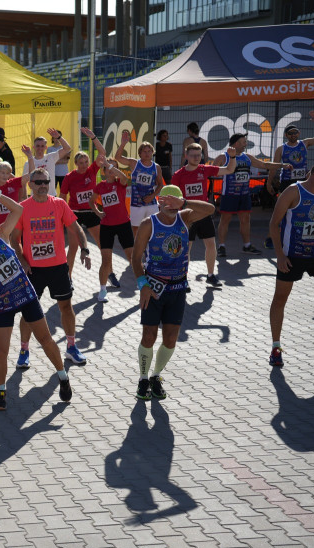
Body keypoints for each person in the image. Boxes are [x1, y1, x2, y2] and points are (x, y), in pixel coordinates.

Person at [0, 193, 73, 410]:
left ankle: (63, 377)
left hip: (26, 295)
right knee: (1, 351)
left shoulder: (1, 234)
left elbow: (18, 211)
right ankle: (1, 392)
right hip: (3, 304)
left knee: (46, 340)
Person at [132, 185, 216, 400]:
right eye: (166, 202)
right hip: (154, 288)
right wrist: (143, 285)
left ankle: (156, 376)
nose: (170, 206)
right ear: (159, 202)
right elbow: (136, 257)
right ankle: (143, 379)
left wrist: (184, 204)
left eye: (174, 202)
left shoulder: (185, 216)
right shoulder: (148, 224)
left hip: (178, 288)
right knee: (149, 336)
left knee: (170, 338)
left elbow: (210, 209)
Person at [11, 167, 92, 368]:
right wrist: (23, 260)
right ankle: (24, 350)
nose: (42, 186)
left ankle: (71, 347)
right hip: (33, 270)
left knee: (66, 307)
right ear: (30, 185)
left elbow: (76, 228)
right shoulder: (23, 207)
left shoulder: (59, 204)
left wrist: (85, 249)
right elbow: (14, 239)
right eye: (38, 182)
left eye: (46, 182)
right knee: (29, 312)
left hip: (58, 267)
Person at [267, 159, 314, 367]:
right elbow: (274, 224)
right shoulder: (293, 191)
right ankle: (276, 347)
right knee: (281, 298)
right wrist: (280, 256)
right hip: (292, 256)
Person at [171, 142, 237, 287]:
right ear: (186, 156)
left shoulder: (205, 169)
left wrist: (232, 157)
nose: (196, 157)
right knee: (186, 248)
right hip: (187, 216)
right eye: (193, 155)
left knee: (211, 244)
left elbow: (229, 170)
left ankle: (211, 275)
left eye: (198, 155)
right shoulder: (178, 175)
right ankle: (183, 278)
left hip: (204, 213)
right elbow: (172, 198)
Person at [214, 133, 290, 257]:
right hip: (229, 194)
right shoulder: (223, 157)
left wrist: (282, 165)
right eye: (244, 142)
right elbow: (212, 170)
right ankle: (221, 247)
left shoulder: (247, 157)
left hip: (244, 194)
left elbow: (265, 165)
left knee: (245, 220)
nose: (245, 144)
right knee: (225, 220)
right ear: (236, 143)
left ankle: (247, 245)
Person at [60, 127, 107, 277]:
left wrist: (93, 138)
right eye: (81, 162)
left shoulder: (92, 171)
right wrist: (64, 215)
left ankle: (109, 273)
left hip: (91, 211)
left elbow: (102, 154)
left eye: (86, 161)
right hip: (75, 214)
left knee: (103, 244)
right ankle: (68, 278)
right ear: (76, 163)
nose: (84, 164)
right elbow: (62, 197)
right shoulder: (69, 177)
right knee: (73, 247)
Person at [89, 158, 134, 302]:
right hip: (107, 226)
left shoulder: (120, 183)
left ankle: (144, 284)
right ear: (103, 172)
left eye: (115, 167)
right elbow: (91, 201)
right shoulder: (100, 186)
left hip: (123, 224)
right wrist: (98, 213)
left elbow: (124, 177)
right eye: (109, 168)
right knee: (106, 260)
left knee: (132, 257)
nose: (112, 170)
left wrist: (111, 167)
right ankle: (102, 290)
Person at [114, 130, 164, 236]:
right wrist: (123, 143)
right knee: (136, 229)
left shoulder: (156, 167)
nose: (147, 153)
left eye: (149, 151)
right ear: (140, 153)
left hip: (151, 203)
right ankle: (138, 250)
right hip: (136, 203)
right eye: (144, 151)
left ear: (152, 152)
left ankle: (150, 249)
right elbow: (118, 158)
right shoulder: (134, 163)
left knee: (154, 226)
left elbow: (160, 184)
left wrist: (152, 196)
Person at [270, 112, 314, 194]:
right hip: (286, 181)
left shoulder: (305, 143)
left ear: (299, 133)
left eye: (295, 132)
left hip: (302, 180)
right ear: (286, 135)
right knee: (286, 204)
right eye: (290, 133)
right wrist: (268, 183)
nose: (293, 135)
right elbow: (273, 168)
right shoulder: (281, 149)